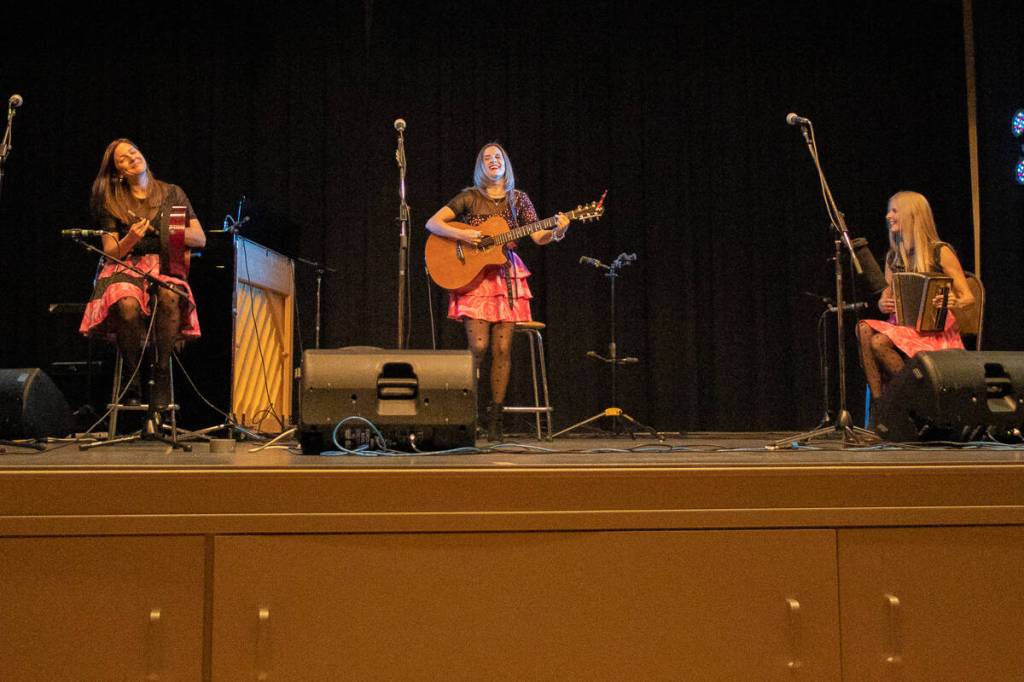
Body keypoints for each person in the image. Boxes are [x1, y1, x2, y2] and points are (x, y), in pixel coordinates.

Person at [426, 142, 569, 441]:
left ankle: (496, 420)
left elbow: (538, 235)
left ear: (506, 164)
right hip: (475, 278)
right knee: (478, 347)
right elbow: (433, 223)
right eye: (487, 158)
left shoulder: (519, 200)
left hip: (507, 277)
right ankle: (469, 414)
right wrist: (463, 232)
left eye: (498, 157)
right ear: (481, 166)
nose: (493, 161)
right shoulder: (469, 197)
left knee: (503, 349)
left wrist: (558, 230)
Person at [78, 138, 206, 410]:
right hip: (125, 265)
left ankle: (160, 373)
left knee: (170, 295)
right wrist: (131, 240)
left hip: (164, 262)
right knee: (126, 302)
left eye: (133, 151)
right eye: (123, 159)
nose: (132, 158)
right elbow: (110, 251)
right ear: (118, 172)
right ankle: (132, 376)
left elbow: (200, 238)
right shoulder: (111, 200)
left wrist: (164, 232)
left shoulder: (172, 193)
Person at [857, 190, 974, 403]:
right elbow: (887, 297)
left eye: (894, 211)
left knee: (878, 342)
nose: (888, 216)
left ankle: (916, 398)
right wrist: (883, 303)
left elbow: (968, 297)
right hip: (903, 325)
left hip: (933, 329)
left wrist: (953, 301)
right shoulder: (893, 257)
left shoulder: (940, 251)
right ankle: (880, 405)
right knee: (863, 328)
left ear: (912, 215)